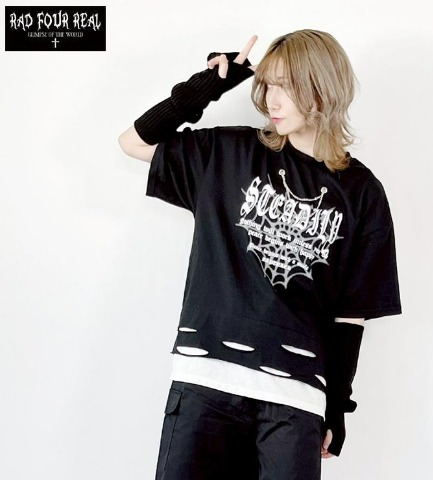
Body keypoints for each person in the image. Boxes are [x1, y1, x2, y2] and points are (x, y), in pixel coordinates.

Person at [118, 29, 401, 480]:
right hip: (206, 380)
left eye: (285, 85)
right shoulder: (227, 154)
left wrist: (336, 404)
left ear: (322, 87)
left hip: (295, 400)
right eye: (268, 84)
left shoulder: (362, 192)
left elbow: (351, 315)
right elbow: (133, 142)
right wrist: (204, 88)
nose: (272, 98)